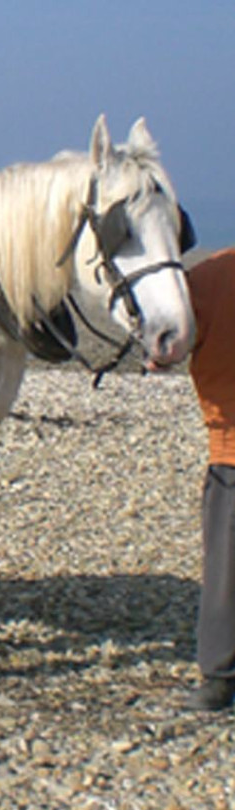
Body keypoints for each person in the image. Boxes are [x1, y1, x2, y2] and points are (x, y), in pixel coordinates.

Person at [187, 246, 235, 710]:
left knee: (226, 573)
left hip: (232, 452)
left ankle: (218, 680)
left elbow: (165, 345)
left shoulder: (208, 279)